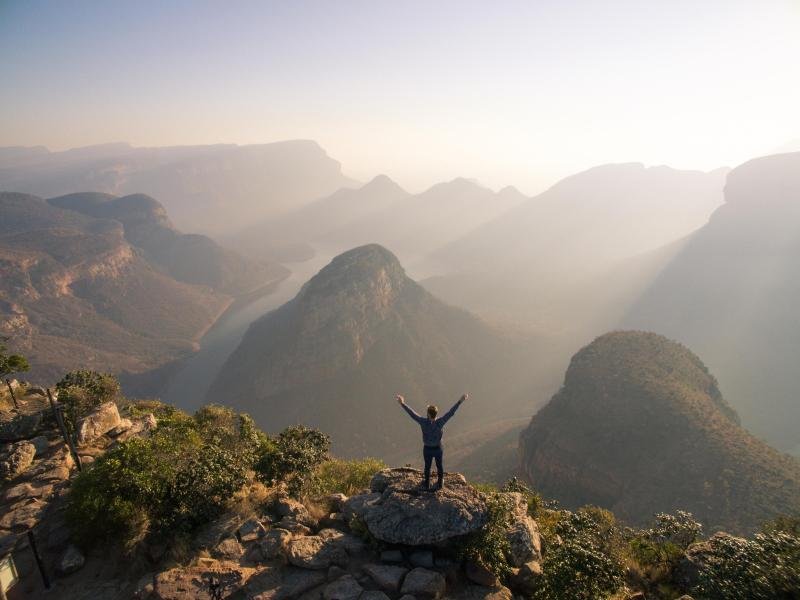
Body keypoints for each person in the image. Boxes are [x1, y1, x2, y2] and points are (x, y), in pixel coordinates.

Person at [397, 393, 468, 490]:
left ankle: (426, 484)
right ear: (435, 414)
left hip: (427, 449)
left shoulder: (423, 422)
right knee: (439, 465)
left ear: (428, 414)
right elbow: (451, 412)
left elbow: (412, 414)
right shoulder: (440, 422)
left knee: (427, 466)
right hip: (438, 448)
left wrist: (402, 403)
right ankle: (440, 483)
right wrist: (460, 401)